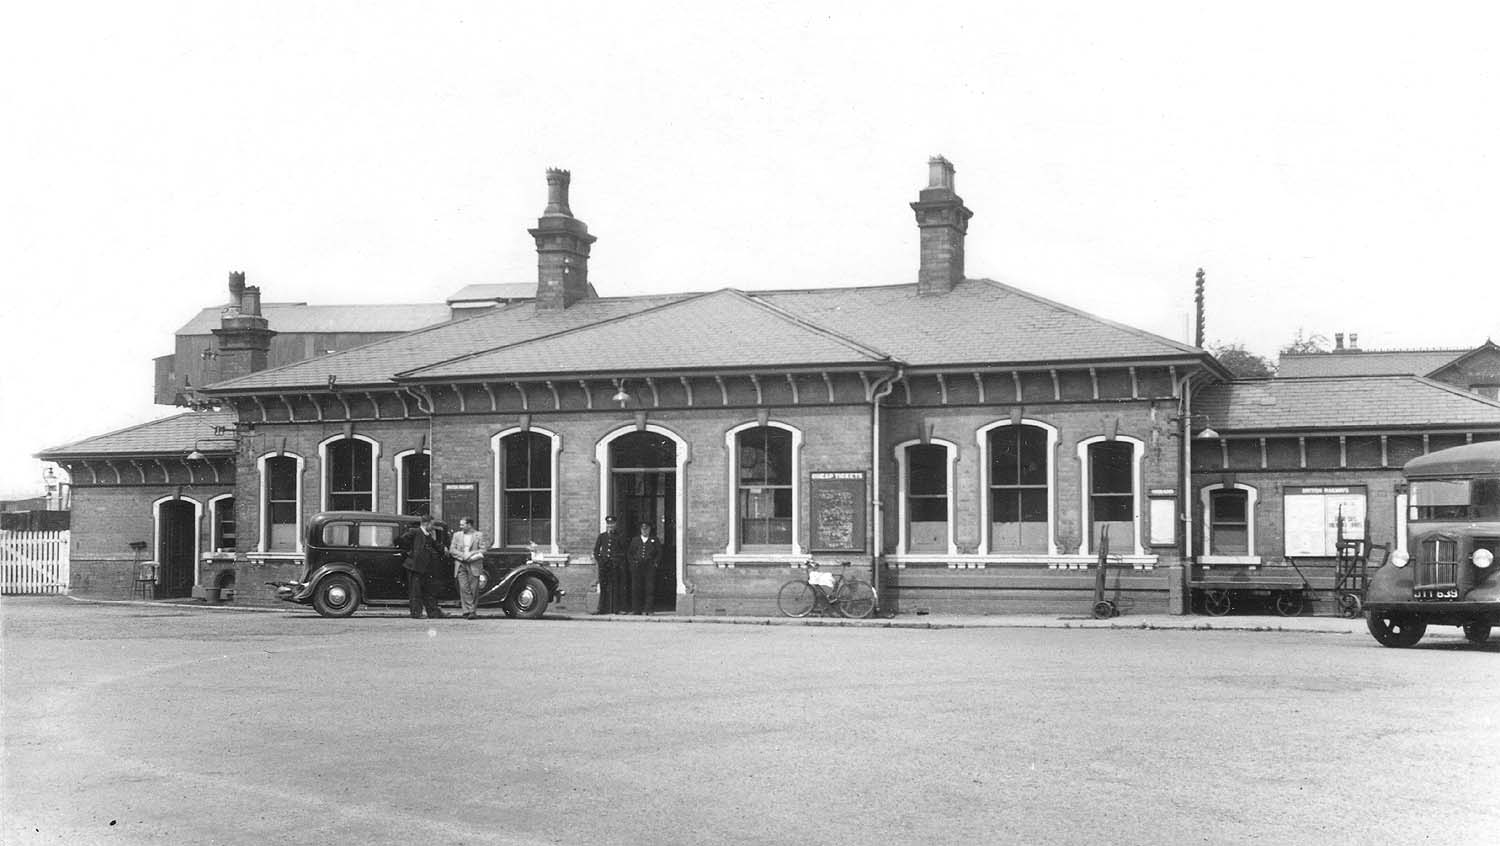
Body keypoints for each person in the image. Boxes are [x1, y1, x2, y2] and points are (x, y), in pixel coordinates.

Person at [398, 514, 445, 619]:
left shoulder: (428, 535)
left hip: (425, 568)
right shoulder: (414, 532)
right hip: (414, 567)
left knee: (428, 590)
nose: (433, 527)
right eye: (432, 525)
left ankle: (433, 613)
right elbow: (401, 541)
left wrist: (444, 549)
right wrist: (410, 553)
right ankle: (416, 613)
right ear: (426, 523)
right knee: (415, 591)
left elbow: (436, 546)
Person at [448, 517, 488, 620]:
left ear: (469, 525)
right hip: (460, 563)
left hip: (474, 563)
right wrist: (463, 555)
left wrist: (471, 554)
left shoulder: (479, 535)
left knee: (473, 588)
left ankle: (470, 611)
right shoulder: (457, 535)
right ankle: (469, 610)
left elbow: (483, 549)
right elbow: (452, 549)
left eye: (462, 524)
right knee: (463, 587)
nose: (460, 526)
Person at [592, 515, 627, 615]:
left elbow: (623, 551)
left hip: (614, 565)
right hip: (604, 565)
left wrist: (617, 561)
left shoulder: (619, 536)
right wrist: (600, 560)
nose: (610, 526)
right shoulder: (602, 536)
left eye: (612, 524)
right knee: (603, 587)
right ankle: (602, 608)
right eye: (609, 524)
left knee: (616, 587)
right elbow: (596, 550)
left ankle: (616, 609)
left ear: (615, 524)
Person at [626, 521, 662, 615]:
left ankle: (648, 609)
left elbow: (659, 553)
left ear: (649, 529)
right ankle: (636, 610)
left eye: (647, 529)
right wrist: (633, 564)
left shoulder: (654, 540)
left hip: (649, 567)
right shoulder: (635, 540)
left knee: (649, 588)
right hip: (637, 567)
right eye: (643, 529)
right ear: (640, 530)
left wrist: (655, 564)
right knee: (636, 588)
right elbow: (630, 553)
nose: (645, 531)